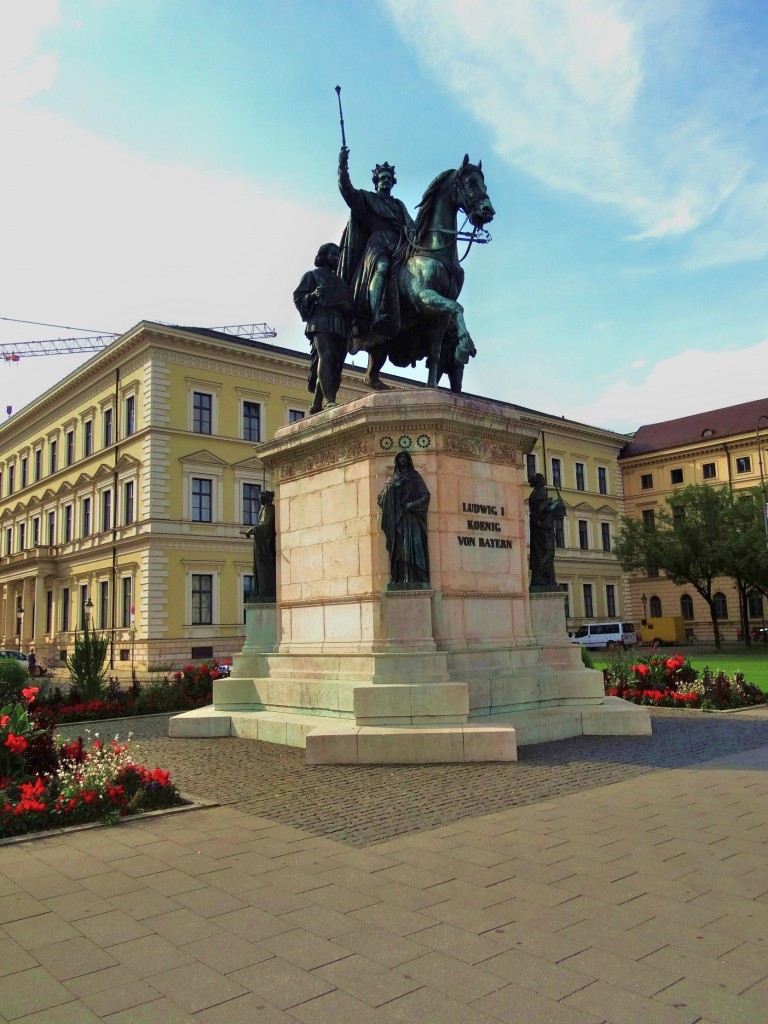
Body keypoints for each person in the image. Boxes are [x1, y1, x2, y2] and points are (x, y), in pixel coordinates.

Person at [337, 146, 415, 338]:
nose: (386, 181)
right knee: (382, 267)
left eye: (389, 178)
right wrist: (342, 165)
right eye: (383, 178)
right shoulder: (366, 198)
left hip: (399, 246)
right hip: (378, 243)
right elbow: (346, 190)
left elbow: (413, 228)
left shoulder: (399, 205)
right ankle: (377, 313)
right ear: (376, 182)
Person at [293, 243, 354, 413]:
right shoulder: (312, 276)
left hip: (339, 323)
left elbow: (351, 304)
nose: (336, 257)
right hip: (320, 320)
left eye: (338, 255)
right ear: (323, 255)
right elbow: (298, 297)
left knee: (335, 364)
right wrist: (312, 295)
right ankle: (329, 400)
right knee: (325, 356)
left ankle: (316, 403)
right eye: (333, 254)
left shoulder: (341, 282)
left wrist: (347, 308)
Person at [377, 451, 430, 585]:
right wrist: (392, 489)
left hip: (412, 519)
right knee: (400, 551)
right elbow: (380, 499)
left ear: (408, 460)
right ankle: (401, 578)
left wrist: (413, 504)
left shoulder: (415, 477)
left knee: (415, 549)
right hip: (397, 521)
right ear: (396, 461)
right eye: (399, 457)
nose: (402, 459)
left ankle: (417, 578)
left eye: (404, 457)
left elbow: (426, 495)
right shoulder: (391, 480)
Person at [528, 473, 566, 590]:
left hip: (541, 528)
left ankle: (545, 578)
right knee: (549, 553)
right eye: (543, 478)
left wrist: (551, 503)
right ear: (539, 481)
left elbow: (544, 508)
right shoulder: (538, 494)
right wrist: (555, 503)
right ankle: (540, 575)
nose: (545, 480)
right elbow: (545, 510)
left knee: (544, 554)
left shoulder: (538, 494)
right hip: (543, 529)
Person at [240, 490, 277, 600]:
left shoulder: (269, 509)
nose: (259, 499)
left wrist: (253, 529)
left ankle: (265, 592)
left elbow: (265, 526)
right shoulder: (265, 509)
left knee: (263, 568)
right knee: (257, 568)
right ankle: (261, 591)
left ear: (266, 498)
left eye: (261, 497)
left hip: (265, 545)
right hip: (262, 542)